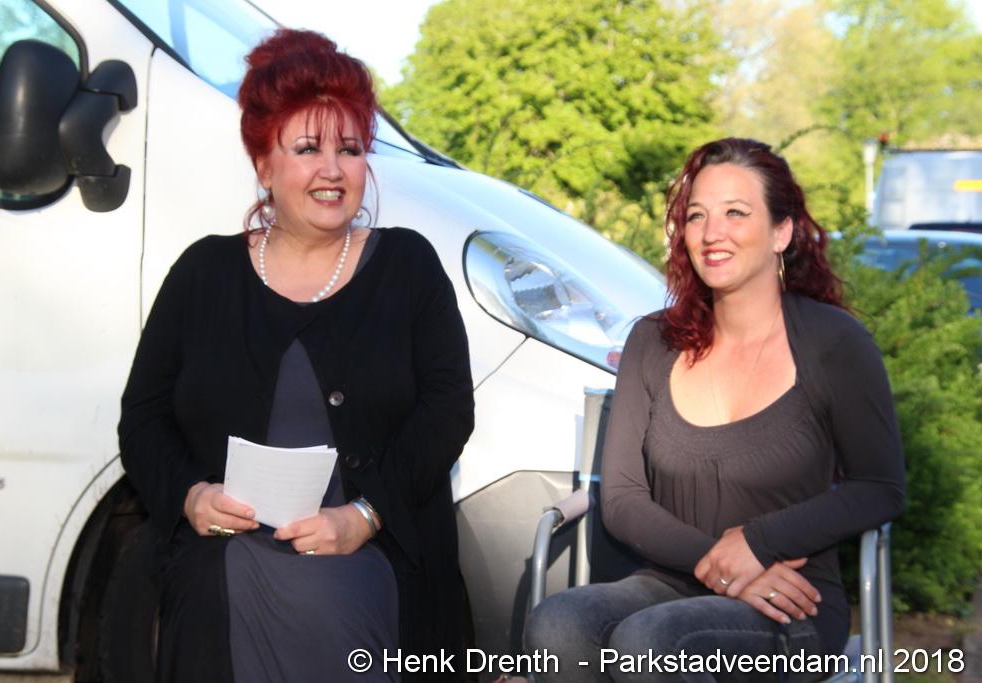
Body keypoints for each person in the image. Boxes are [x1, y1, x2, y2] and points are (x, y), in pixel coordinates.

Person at [118, 29, 474, 683]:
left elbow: (448, 412)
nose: (333, 170)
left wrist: (363, 516)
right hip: (223, 548)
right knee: (202, 596)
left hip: (369, 546)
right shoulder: (203, 273)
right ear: (264, 166)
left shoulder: (409, 266)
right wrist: (192, 496)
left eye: (350, 149)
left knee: (332, 597)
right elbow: (141, 417)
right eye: (308, 149)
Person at [523, 138, 904, 682]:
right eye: (696, 215)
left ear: (782, 231)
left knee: (651, 643)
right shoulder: (653, 341)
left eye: (736, 213)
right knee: (558, 624)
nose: (711, 233)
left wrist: (758, 545)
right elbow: (624, 500)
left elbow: (880, 487)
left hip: (789, 602)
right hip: (671, 580)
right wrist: (724, 566)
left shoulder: (834, 344)